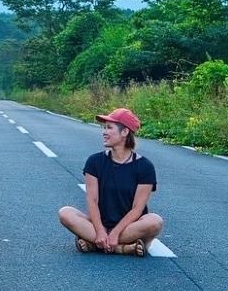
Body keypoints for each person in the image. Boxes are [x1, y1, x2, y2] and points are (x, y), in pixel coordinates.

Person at [58, 107, 163, 256]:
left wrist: (115, 233)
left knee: (155, 221)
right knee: (65, 213)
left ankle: (96, 244)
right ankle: (123, 248)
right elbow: (92, 200)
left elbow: (137, 209)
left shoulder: (145, 167)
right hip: (98, 224)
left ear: (124, 132)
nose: (104, 132)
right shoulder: (95, 161)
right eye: (104, 128)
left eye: (109, 128)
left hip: (129, 227)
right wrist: (100, 230)